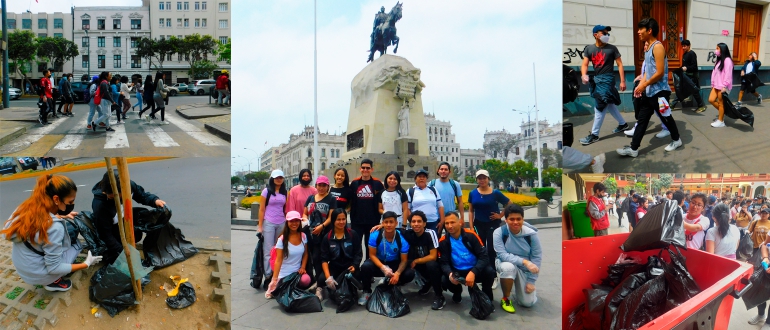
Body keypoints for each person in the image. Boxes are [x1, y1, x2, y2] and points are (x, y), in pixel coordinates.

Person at [2, 174, 103, 291]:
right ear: (56, 199)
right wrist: (86, 263)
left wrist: (59, 215)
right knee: (77, 245)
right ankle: (53, 282)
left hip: (24, 268)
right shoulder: (54, 228)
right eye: (70, 202)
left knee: (65, 237)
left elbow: (39, 221)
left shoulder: (25, 208)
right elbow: (54, 268)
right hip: (39, 275)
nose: (71, 205)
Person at [618, 17, 683, 157]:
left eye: (641, 29)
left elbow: (659, 72)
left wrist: (644, 85)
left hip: (660, 92)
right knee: (642, 120)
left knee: (667, 117)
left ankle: (677, 140)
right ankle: (633, 149)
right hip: (650, 92)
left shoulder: (658, 47)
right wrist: (641, 85)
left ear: (649, 30)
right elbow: (649, 70)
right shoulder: (649, 48)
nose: (638, 32)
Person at [369, 210, 443, 309]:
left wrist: (416, 261)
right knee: (407, 264)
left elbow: (433, 256)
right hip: (417, 265)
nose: (416, 224)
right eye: (413, 221)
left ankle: (439, 296)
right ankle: (424, 283)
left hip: (432, 265)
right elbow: (393, 227)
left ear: (424, 223)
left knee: (431, 264)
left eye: (419, 221)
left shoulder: (430, 233)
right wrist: (383, 225)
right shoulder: (408, 233)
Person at [91, 169, 166, 264]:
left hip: (124, 217)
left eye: (121, 196)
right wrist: (123, 252)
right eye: (113, 197)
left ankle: (152, 247)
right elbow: (105, 235)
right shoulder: (100, 206)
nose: (118, 199)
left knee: (145, 215)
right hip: (114, 229)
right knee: (119, 248)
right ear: (105, 192)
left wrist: (154, 200)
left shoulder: (129, 186)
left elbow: (141, 195)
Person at [578, 24, 628, 145]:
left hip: (608, 80)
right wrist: (583, 75)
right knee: (609, 104)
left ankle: (594, 135)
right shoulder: (589, 49)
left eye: (607, 33)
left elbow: (620, 64)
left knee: (599, 106)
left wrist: (622, 81)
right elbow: (585, 64)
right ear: (596, 35)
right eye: (604, 33)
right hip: (597, 80)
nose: (607, 35)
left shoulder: (612, 48)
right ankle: (623, 124)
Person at [357, 211, 414, 306]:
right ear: (382, 223)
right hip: (379, 263)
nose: (388, 225)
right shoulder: (375, 235)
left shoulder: (402, 238)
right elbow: (372, 255)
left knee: (410, 273)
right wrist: (383, 267)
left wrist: (397, 273)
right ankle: (366, 291)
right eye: (386, 222)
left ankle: (396, 284)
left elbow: (404, 260)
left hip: (394, 264)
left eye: (391, 222)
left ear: (396, 223)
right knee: (365, 267)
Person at [493, 204, 542, 313]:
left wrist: (531, 281)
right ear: (506, 220)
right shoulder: (499, 233)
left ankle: (522, 287)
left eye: (518, 219)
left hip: (524, 269)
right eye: (512, 219)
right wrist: (524, 261)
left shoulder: (531, 234)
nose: (515, 222)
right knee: (508, 267)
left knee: (527, 303)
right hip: (505, 263)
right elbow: (502, 255)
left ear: (523, 219)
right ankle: (506, 298)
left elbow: (536, 257)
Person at [439, 211, 496, 304]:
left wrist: (473, 272)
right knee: (444, 279)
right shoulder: (443, 241)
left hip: (474, 269)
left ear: (460, 222)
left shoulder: (471, 235)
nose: (449, 226)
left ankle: (487, 295)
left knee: (489, 272)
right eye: (447, 223)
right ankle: (457, 292)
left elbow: (484, 256)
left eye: (452, 222)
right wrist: (450, 274)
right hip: (457, 271)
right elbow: (444, 262)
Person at [302, 175, 337, 300]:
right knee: (315, 258)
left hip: (325, 233)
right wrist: (306, 220)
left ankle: (321, 283)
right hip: (311, 234)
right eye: (319, 185)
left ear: (328, 187)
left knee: (323, 257)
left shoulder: (331, 199)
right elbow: (304, 213)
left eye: (324, 185)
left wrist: (322, 226)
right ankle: (319, 283)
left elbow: (331, 217)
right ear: (316, 186)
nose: (321, 188)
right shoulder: (310, 198)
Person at [468, 169, 511, 269]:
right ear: (477, 180)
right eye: (479, 178)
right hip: (478, 224)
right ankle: (481, 271)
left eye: (484, 178)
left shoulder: (495, 193)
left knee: (491, 249)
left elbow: (509, 204)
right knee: (480, 248)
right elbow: (471, 211)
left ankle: (493, 273)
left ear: (488, 179)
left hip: (493, 224)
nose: (482, 180)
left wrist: (500, 215)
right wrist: (471, 226)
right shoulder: (473, 193)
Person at [320, 208, 362, 305]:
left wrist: (355, 265)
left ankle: (352, 289)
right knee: (322, 279)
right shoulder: (327, 237)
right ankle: (327, 288)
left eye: (343, 219)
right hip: (335, 267)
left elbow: (358, 253)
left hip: (349, 268)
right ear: (333, 220)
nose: (341, 222)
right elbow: (324, 259)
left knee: (359, 275)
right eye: (338, 219)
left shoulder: (353, 234)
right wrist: (328, 277)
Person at [265, 211, 310, 299]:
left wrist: (303, 267)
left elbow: (306, 253)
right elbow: (278, 260)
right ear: (287, 222)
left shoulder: (303, 236)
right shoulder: (282, 239)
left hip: (296, 272)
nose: (294, 223)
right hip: (283, 274)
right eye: (291, 221)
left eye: (296, 221)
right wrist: (274, 279)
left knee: (306, 280)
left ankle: (293, 287)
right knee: (277, 292)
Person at [257, 169, 287, 288]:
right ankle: (268, 275)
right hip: (269, 223)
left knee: (279, 250)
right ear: (272, 179)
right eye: (276, 178)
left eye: (280, 177)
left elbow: (285, 208)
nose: (278, 179)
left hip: (281, 223)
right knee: (268, 250)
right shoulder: (266, 191)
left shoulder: (285, 192)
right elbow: (261, 209)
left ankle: (277, 274)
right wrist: (260, 226)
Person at [349, 159, 385, 260]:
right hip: (357, 221)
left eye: (368, 168)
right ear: (360, 169)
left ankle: (368, 268)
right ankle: (355, 268)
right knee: (356, 246)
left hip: (372, 221)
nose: (365, 170)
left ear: (372, 169)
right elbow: (350, 200)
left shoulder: (378, 184)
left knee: (370, 246)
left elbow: (382, 201)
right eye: (363, 168)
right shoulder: (355, 183)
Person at [708, 43, 735, 128]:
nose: (716, 50)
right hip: (716, 85)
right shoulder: (718, 60)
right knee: (711, 100)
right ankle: (723, 112)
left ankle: (721, 121)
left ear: (723, 50)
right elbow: (714, 73)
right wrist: (712, 83)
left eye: (718, 48)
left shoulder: (727, 60)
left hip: (722, 86)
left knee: (721, 103)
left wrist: (725, 86)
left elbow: (728, 74)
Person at [678, 40, 707, 112]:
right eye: (682, 46)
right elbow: (684, 65)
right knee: (683, 89)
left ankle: (701, 106)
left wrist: (686, 68)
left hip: (692, 76)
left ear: (689, 46)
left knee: (694, 91)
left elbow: (694, 66)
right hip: (686, 75)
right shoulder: (684, 54)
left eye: (685, 46)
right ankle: (673, 103)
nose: (683, 47)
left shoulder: (692, 54)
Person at [749, 234, 770, 329]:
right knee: (760, 291)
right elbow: (765, 244)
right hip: (767, 267)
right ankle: (761, 315)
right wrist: (765, 257)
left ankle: (768, 322)